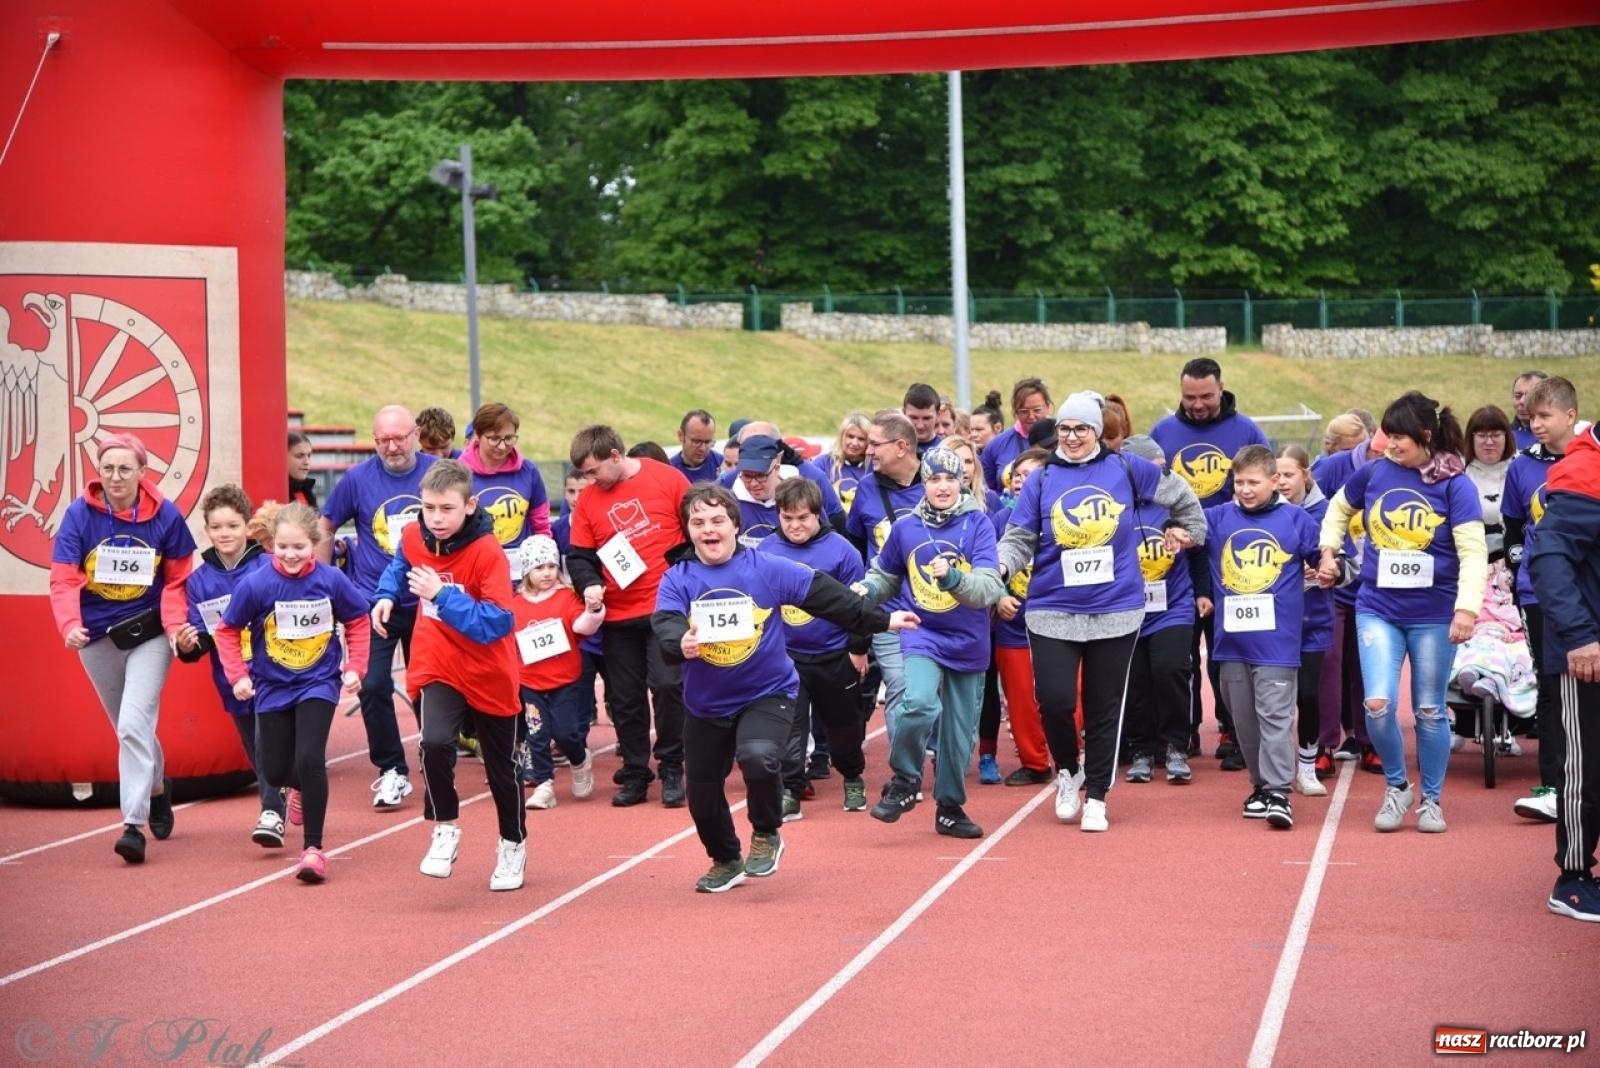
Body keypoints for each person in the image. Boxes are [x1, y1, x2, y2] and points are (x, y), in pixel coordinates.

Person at [653, 484, 916, 892]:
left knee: (758, 756)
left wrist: (882, 621)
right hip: (706, 703)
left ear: (735, 526)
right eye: (699, 522)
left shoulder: (766, 567)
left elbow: (830, 597)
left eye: (718, 520)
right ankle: (724, 859)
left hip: (767, 692)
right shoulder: (678, 578)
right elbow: (666, 622)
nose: (709, 529)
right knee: (701, 793)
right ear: (688, 531)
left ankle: (765, 831)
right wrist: (679, 642)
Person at [998, 395, 1205, 832]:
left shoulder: (1128, 468)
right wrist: (1001, 564)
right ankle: (1068, 772)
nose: (1073, 437)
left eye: (1082, 429)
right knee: (1054, 701)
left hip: (1116, 608)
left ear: (1096, 431)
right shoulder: (1042, 478)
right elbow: (1019, 537)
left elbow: (1185, 499)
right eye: (1066, 429)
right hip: (1053, 607)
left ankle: (1097, 794)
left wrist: (1183, 530)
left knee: (1103, 705)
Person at [1317, 391, 1487, 834]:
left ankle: (1431, 799)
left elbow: (1472, 552)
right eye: (1387, 436)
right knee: (1377, 705)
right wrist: (1329, 550)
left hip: (1434, 614)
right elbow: (1337, 508)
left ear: (1425, 436)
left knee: (1430, 711)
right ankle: (1397, 786)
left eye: (1399, 439)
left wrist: (1466, 609)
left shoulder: (1455, 484)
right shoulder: (1373, 474)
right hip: (1378, 608)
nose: (1390, 445)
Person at [371, 459, 527, 891]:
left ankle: (512, 843)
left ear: (470, 505)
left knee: (501, 768)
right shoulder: (412, 535)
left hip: (488, 668)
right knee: (434, 742)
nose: (436, 519)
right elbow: (399, 566)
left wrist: (441, 594)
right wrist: (385, 596)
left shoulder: (487, 553)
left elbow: (498, 622)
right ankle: (445, 826)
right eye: (428, 508)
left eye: (446, 509)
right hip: (437, 661)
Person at [50, 433, 195, 864]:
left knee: (134, 723)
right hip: (95, 637)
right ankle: (156, 786)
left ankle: (133, 824)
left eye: (124, 469)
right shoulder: (79, 516)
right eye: (107, 468)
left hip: (148, 633)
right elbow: (62, 578)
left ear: (142, 473)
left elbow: (178, 580)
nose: (115, 477)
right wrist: (70, 624)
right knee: (129, 727)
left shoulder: (166, 517)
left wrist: (173, 628)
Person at [216, 502, 369, 883]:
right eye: (283, 547)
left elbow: (358, 619)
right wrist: (237, 676)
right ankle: (297, 786)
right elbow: (227, 630)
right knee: (276, 768)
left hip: (318, 682)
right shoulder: (256, 584)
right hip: (271, 686)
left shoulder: (332, 581)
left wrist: (355, 667)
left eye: (299, 547)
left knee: (310, 758)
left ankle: (313, 849)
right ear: (272, 545)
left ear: (315, 544)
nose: (290, 555)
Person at [859, 446, 1004, 838]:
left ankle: (950, 807)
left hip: (969, 639)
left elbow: (990, 587)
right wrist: (865, 590)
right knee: (918, 701)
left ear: (962, 482)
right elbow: (885, 575)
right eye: (934, 479)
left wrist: (955, 578)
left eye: (950, 479)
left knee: (959, 735)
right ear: (924, 483)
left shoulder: (978, 525)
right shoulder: (906, 527)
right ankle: (905, 779)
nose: (942, 487)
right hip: (923, 632)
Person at [1150, 358, 1271, 772]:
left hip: (1231, 554)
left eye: (1205, 397)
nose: (1197, 405)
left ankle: (1233, 730)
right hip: (1174, 557)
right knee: (1176, 651)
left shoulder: (1247, 431)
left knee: (1228, 649)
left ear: (1221, 390)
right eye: (1189, 397)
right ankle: (1180, 731)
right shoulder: (1164, 433)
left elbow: (1266, 484)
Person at [1191, 445, 1322, 828]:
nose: (1245, 489)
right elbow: (1186, 525)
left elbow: (1324, 558)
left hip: (1277, 644)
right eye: (1239, 482)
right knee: (1244, 722)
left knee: (1275, 718)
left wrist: (1328, 567)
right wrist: (1174, 532)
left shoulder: (1296, 520)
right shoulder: (1217, 517)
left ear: (1274, 481)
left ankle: (1280, 791)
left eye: (1253, 482)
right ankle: (1261, 785)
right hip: (1231, 643)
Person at [566, 424, 692, 807]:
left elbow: (693, 533)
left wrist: (683, 576)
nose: (589, 481)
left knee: (669, 685)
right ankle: (637, 771)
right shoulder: (589, 501)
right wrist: (587, 584)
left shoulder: (668, 479)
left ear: (616, 457)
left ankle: (672, 765)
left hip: (664, 606)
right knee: (624, 697)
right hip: (619, 613)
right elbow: (580, 556)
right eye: (584, 474)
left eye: (593, 471)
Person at [320, 405, 437, 809]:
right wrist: (322, 577)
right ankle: (391, 769)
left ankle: (435, 753)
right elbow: (325, 525)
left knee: (429, 685)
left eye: (399, 438)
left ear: (416, 434)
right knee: (371, 685)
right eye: (383, 440)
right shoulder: (356, 480)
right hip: (374, 601)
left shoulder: (437, 473)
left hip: (428, 599)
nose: (392, 446)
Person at [172, 485, 286, 847]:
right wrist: (189, 646)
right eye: (217, 527)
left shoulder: (269, 566)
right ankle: (280, 796)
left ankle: (271, 810)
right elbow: (202, 637)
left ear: (247, 528)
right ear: (207, 530)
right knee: (255, 751)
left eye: (233, 526)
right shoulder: (200, 581)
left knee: (267, 743)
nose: (225, 534)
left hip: (275, 674)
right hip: (231, 679)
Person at [760, 478, 875, 818]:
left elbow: (859, 605)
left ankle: (852, 776)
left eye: (803, 518)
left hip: (835, 653)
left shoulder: (843, 551)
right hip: (786, 658)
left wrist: (858, 648)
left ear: (818, 515)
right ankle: (791, 788)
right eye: (787, 518)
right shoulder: (765, 551)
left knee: (844, 725)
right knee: (789, 726)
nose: (795, 526)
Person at [1526, 413, 1600, 921]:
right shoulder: (1583, 471)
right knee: (1584, 769)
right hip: (1588, 652)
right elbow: (1548, 559)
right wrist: (1581, 636)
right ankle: (1573, 877)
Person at [1505, 377, 1581, 824]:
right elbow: (1515, 527)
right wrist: (1520, 574)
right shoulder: (1522, 466)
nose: (1536, 424)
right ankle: (1553, 783)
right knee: (1551, 684)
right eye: (1532, 417)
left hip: (1585, 588)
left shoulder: (1589, 460)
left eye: (1545, 416)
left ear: (1570, 416)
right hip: (1538, 592)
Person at [1120, 435, 1199, 786]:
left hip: (1173, 606)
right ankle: (1141, 749)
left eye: (1163, 467)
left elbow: (1201, 536)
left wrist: (1184, 535)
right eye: (1153, 470)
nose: (1162, 475)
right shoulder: (1115, 503)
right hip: (1127, 606)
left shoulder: (1176, 500)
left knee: (1170, 671)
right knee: (1135, 682)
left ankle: (1175, 747)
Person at [843, 413, 928, 743]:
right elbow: (855, 547)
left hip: (936, 610)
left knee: (932, 694)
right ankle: (906, 772)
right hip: (887, 612)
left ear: (902, 447)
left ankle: (934, 751)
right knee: (898, 685)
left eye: (875, 444)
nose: (868, 451)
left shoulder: (938, 483)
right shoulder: (866, 488)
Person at [511, 535, 604, 810]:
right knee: (536, 734)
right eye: (539, 568)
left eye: (552, 566)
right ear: (527, 571)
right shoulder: (515, 604)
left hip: (565, 679)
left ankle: (579, 759)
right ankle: (543, 785)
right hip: (530, 682)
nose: (547, 573)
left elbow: (583, 627)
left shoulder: (566, 597)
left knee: (565, 733)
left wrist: (593, 610)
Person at [1274, 446, 1336, 798]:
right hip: (1273, 623)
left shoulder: (1326, 514)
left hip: (1313, 620)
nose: (1282, 482)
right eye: (1277, 475)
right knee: (1274, 700)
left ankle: (1309, 765)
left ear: (1306, 474)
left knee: (1308, 693)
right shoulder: (1263, 514)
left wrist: (1328, 571)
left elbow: (1348, 567)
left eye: (1288, 475)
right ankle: (1278, 767)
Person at [990, 447, 1055, 786]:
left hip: (1059, 622)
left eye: (1030, 475)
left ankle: (1070, 756)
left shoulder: (1063, 515)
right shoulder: (999, 521)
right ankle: (1034, 762)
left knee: (1064, 697)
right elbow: (985, 566)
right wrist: (998, 596)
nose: (1021, 482)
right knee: (1020, 699)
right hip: (1013, 625)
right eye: (1017, 475)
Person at [460, 402, 553, 582]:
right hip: (477, 573)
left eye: (509, 438)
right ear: (477, 436)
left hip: (522, 577)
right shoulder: (458, 472)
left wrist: (544, 562)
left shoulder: (529, 471)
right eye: (494, 438)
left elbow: (541, 525)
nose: (502, 446)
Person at [981, 377, 1052, 492]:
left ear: (1048, 407)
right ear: (1015, 412)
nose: (1031, 416)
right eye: (1024, 411)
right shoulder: (997, 445)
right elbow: (986, 491)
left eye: (1037, 410)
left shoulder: (1063, 439)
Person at [1463, 404, 1513, 560]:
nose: (1489, 442)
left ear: (1507, 436)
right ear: (1471, 438)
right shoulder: (1458, 472)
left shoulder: (1520, 468)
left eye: (1496, 435)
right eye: (1482, 435)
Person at [816, 412, 873, 515]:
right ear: (841, 436)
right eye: (850, 436)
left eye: (861, 439)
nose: (854, 443)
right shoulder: (823, 464)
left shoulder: (874, 467)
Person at [671, 409, 722, 483]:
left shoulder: (723, 466)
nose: (702, 448)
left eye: (708, 442)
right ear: (681, 436)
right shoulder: (670, 470)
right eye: (696, 442)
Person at [1510, 370, 1549, 451]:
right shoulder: (1503, 436)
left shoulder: (1563, 436)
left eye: (1530, 396)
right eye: (1518, 396)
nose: (1522, 401)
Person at [903, 382, 943, 457]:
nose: (920, 426)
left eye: (926, 418)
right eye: (914, 418)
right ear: (904, 413)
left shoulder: (947, 452)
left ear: (938, 415)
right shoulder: (891, 450)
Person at [288, 431, 317, 509]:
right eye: (300, 456)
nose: (307, 462)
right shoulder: (275, 491)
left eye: (309, 455)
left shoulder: (308, 492)